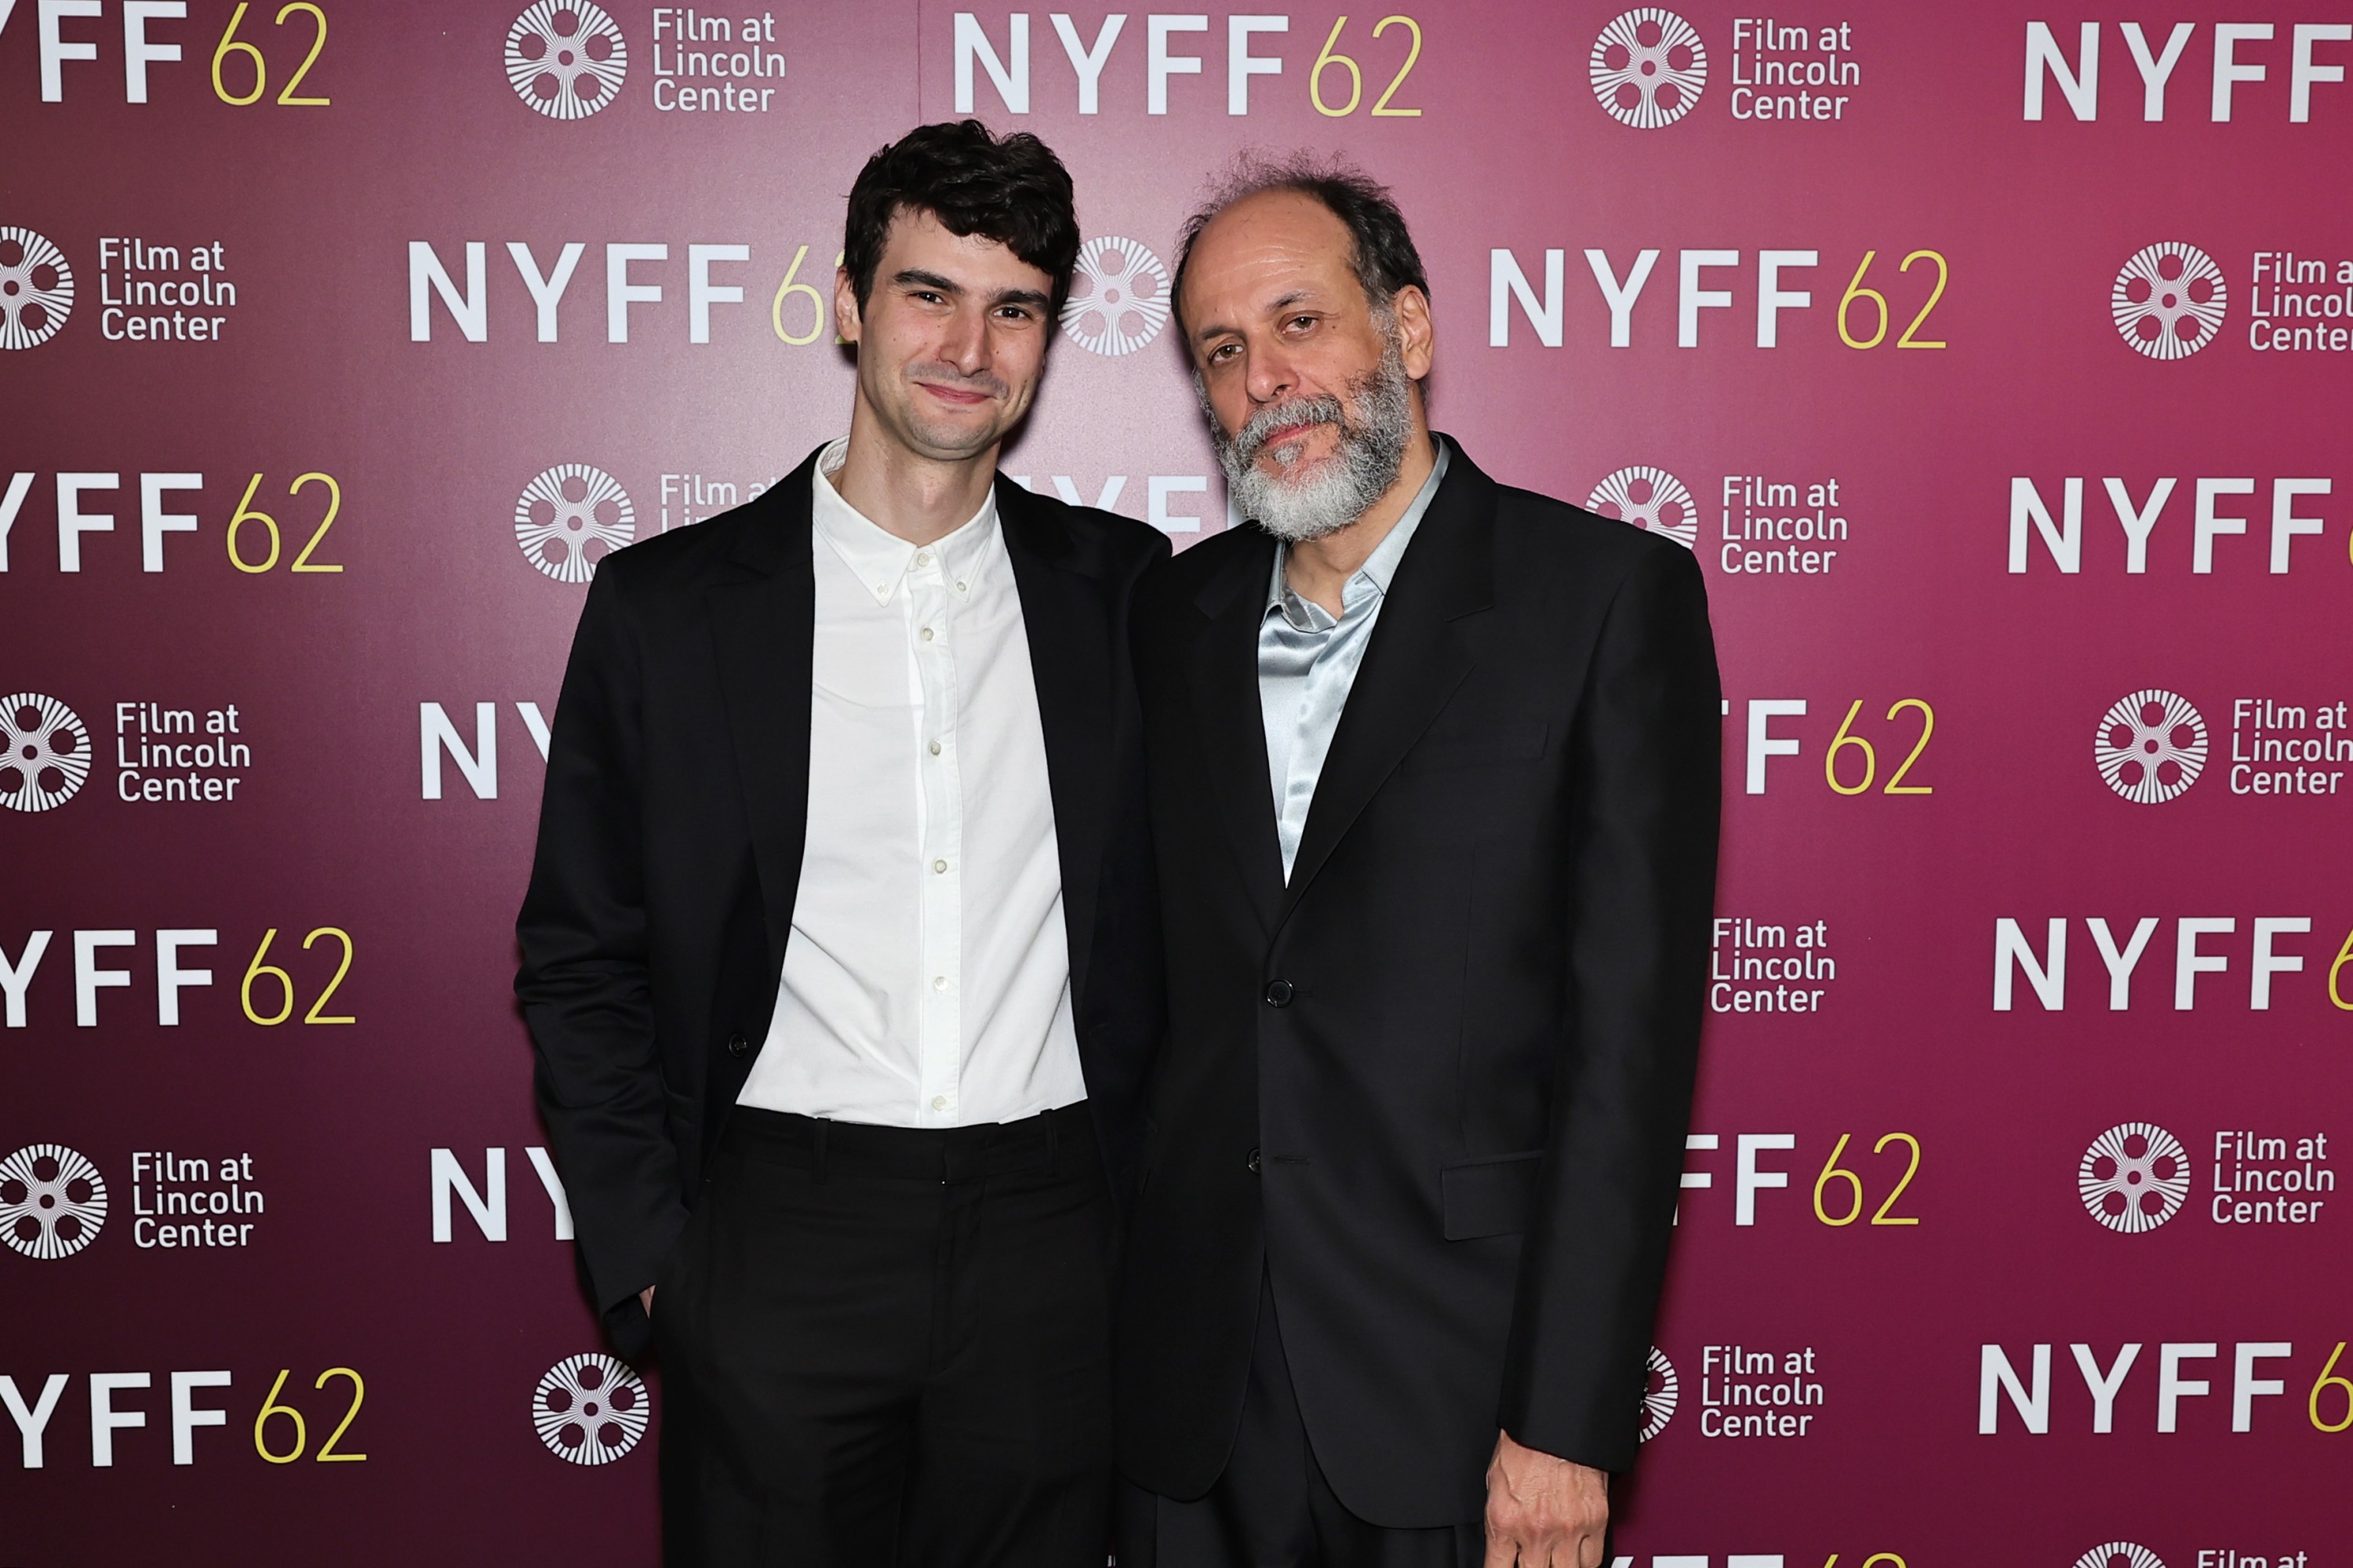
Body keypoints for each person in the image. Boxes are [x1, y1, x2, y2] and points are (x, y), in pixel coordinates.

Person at [515, 120, 1168, 1566]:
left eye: (1016, 310)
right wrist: (658, 1270)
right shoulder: (669, 609)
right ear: (848, 301)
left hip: (1054, 1242)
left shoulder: (1121, 593)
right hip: (776, 1243)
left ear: (1052, 339)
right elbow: (579, 957)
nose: (970, 346)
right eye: (930, 292)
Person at [1115, 157, 1722, 1568]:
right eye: (1224, 349)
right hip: (1191, 1400)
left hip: (1457, 1394)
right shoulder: (1170, 620)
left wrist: (1567, 1421)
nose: (1268, 376)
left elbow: (1626, 1057)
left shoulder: (1601, 603)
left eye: (1299, 321)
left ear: (1409, 332)